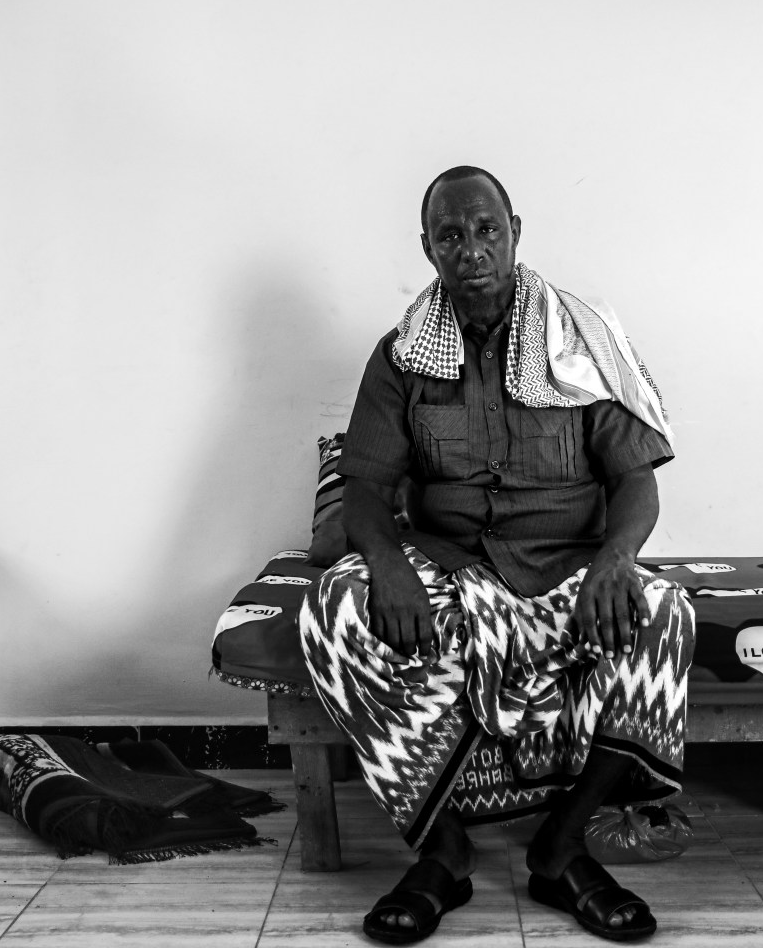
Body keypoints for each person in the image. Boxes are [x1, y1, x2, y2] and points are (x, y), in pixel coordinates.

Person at [298, 166, 695, 944]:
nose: (471, 249)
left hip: (567, 568)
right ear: (427, 248)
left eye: (486, 229)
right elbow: (367, 486)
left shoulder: (580, 341)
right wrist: (385, 567)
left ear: (515, 229)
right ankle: (442, 851)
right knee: (336, 609)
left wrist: (617, 562)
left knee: (664, 613)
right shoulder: (401, 356)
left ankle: (563, 847)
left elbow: (635, 481)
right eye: (450, 235)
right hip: (450, 566)